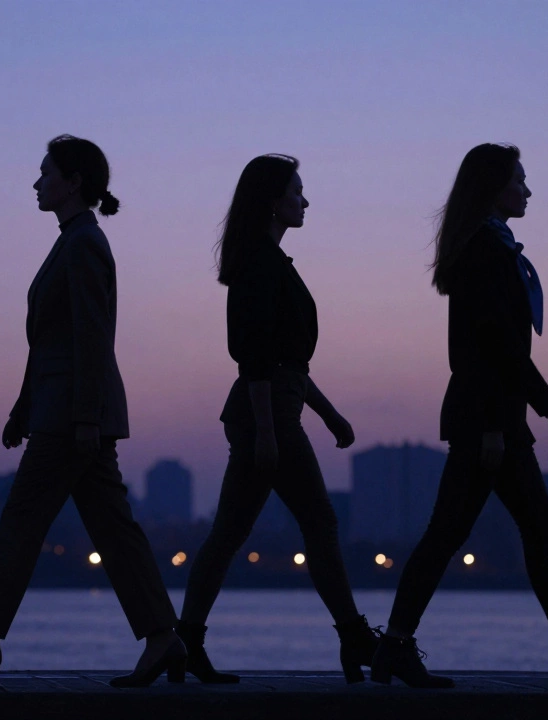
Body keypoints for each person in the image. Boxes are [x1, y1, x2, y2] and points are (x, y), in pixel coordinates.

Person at [370, 143, 548, 688]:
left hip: (492, 416)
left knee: (515, 527)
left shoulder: (488, 246)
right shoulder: (484, 252)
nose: (528, 190)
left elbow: (495, 346)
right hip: (488, 419)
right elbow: (491, 346)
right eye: (519, 180)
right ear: (493, 188)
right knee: (467, 532)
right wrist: (538, 415)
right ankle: (399, 646)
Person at [0, 135, 184, 689]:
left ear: (73, 182)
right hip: (65, 411)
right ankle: (163, 636)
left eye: (45, 173)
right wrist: (24, 408)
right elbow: (52, 341)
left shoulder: (83, 243)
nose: (36, 183)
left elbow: (92, 336)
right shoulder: (73, 241)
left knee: (20, 524)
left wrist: (83, 417)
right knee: (113, 529)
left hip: (70, 418)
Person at [177, 155, 380, 685]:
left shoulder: (269, 262)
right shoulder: (259, 265)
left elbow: (288, 362)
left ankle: (185, 644)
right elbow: (255, 357)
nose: (305, 201)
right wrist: (268, 432)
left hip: (272, 409)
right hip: (265, 415)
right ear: (272, 201)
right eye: (296, 191)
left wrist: (330, 415)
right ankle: (354, 637)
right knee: (318, 522)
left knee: (231, 533)